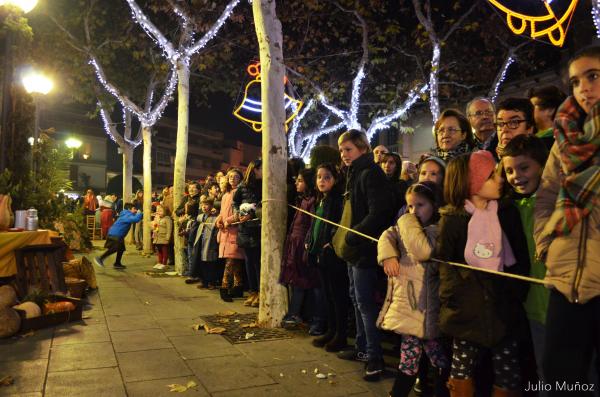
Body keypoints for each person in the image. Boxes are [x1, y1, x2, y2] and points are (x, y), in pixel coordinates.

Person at [534, 46, 600, 396]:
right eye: (576, 81)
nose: (583, 88)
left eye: (593, 76)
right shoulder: (566, 138)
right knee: (561, 381)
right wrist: (547, 242)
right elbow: (546, 195)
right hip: (564, 282)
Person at [436, 151, 530, 396]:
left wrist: (515, 294)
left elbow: (519, 259)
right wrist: (455, 301)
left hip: (503, 309)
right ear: (471, 184)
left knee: (507, 370)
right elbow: (445, 265)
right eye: (490, 176)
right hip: (466, 313)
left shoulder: (506, 213)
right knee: (461, 369)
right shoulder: (453, 219)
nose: (500, 180)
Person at [333, 129, 396, 382]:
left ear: (362, 148)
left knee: (366, 305)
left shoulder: (370, 173)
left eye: (348, 149)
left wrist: (354, 234)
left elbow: (378, 212)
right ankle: (361, 348)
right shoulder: (355, 172)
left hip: (366, 251)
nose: (344, 154)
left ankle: (375, 358)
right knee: (356, 299)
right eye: (341, 150)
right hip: (355, 250)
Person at [377, 181, 449, 397]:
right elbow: (387, 235)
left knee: (437, 356)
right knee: (411, 356)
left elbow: (422, 251)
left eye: (420, 205)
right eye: (409, 206)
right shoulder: (407, 227)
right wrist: (389, 253)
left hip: (427, 307)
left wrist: (406, 220)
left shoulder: (437, 229)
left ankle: (442, 389)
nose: (413, 211)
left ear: (434, 206)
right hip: (411, 306)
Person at [501, 134, 549, 394]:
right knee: (543, 370)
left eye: (524, 167)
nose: (516, 176)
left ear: (543, 165)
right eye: (509, 170)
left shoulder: (555, 204)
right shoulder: (511, 208)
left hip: (564, 302)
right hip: (532, 306)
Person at [307, 163, 350, 352]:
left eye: (327, 177)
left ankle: (340, 335)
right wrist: (311, 240)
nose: (322, 181)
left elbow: (337, 224)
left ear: (335, 179)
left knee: (337, 296)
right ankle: (331, 330)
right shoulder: (322, 199)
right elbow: (316, 223)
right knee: (328, 295)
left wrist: (330, 244)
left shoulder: (337, 200)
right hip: (320, 254)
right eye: (319, 177)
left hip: (332, 255)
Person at [280, 168, 325, 334]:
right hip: (295, 243)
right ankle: (297, 313)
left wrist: (307, 242)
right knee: (296, 279)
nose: (296, 183)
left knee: (301, 280)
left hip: (302, 245)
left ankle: (296, 314)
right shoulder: (303, 199)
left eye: (300, 180)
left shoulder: (312, 201)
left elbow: (313, 224)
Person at [234, 159, 263, 307]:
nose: (264, 171)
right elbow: (235, 202)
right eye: (262, 168)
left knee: (258, 262)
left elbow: (263, 206)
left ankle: (260, 292)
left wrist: (251, 215)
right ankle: (253, 292)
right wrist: (238, 214)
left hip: (258, 228)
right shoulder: (243, 186)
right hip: (245, 229)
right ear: (255, 169)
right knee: (249, 262)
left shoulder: (264, 185)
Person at [216, 169, 245, 302]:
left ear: (241, 178)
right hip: (226, 231)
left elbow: (240, 213)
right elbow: (222, 212)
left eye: (236, 176)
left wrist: (228, 220)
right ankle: (238, 287)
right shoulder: (225, 194)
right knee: (235, 260)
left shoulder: (240, 192)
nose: (232, 179)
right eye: (230, 176)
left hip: (235, 230)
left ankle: (224, 287)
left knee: (231, 260)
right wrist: (219, 220)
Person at [94, 203, 143, 269]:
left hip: (116, 233)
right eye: (134, 209)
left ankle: (117, 263)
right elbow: (136, 219)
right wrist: (139, 213)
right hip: (116, 234)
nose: (135, 210)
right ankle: (100, 258)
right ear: (129, 209)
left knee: (121, 249)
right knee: (115, 248)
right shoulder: (127, 215)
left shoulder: (125, 214)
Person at [187, 197, 219, 288]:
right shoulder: (200, 217)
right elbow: (194, 230)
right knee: (200, 261)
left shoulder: (215, 217)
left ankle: (211, 282)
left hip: (210, 243)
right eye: (202, 205)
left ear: (211, 206)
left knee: (210, 262)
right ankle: (203, 281)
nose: (204, 207)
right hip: (200, 242)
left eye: (206, 205)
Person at [526, 85, 566, 151]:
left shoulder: (560, 141)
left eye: (532, 107)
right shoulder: (530, 138)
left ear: (550, 110)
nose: (528, 111)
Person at [151, 205, 172, 270]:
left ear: (165, 212)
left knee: (164, 251)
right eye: (158, 211)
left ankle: (164, 263)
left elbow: (169, 229)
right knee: (159, 250)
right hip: (157, 237)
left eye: (160, 211)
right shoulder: (158, 218)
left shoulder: (167, 219)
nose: (158, 212)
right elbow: (155, 227)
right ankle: (159, 262)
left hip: (164, 237)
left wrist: (167, 238)